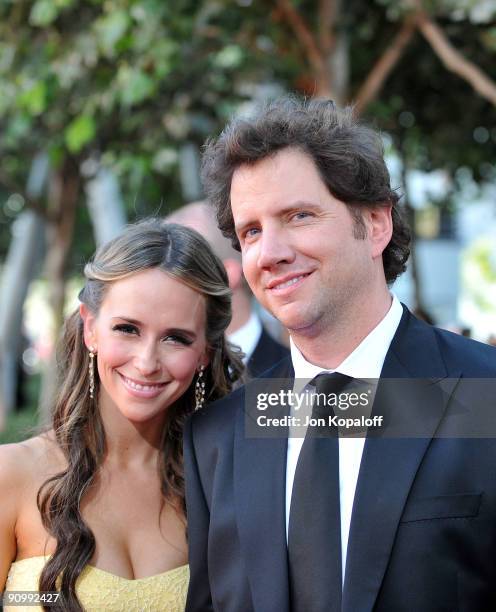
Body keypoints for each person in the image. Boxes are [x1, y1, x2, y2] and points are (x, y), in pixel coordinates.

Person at [183, 97, 496, 611]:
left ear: (375, 224)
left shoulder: (482, 395)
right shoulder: (218, 437)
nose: (271, 252)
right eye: (252, 231)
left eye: (299, 215)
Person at [0, 219, 242, 611]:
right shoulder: (10, 475)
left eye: (175, 338)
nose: (146, 362)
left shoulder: (222, 485)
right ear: (91, 328)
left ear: (204, 355)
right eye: (128, 329)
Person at [165, 201, 289, 377]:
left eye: (177, 266)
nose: (160, 285)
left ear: (227, 275)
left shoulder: (300, 378)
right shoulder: (163, 377)